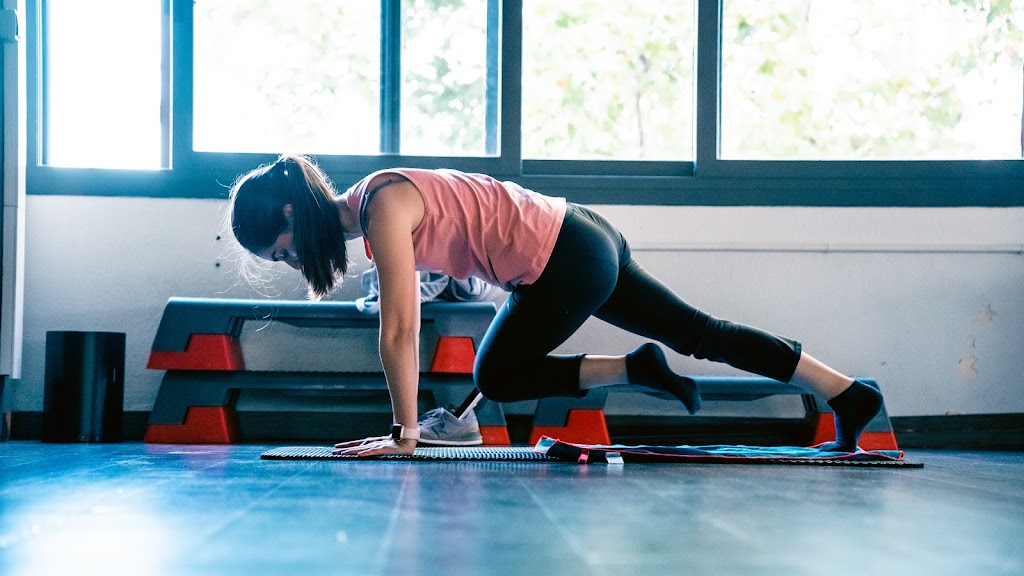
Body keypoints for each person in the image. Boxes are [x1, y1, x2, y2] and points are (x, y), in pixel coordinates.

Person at [228, 154, 883, 457]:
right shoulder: (379, 203)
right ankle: (848, 392)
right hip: (583, 236)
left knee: (495, 375)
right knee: (700, 333)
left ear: (291, 214)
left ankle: (633, 370)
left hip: (568, 255)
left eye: (281, 251)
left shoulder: (381, 206)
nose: (290, 263)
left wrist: (404, 436)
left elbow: (401, 329)